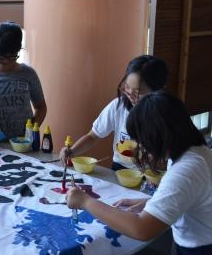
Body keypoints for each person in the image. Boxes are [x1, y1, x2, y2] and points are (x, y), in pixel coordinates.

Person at [66, 91, 212, 255]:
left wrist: (85, 201)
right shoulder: (192, 151)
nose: (141, 147)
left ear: (160, 135)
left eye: (143, 140)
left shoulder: (187, 168)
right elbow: (189, 196)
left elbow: (142, 229)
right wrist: (151, 203)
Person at [60, 55, 168, 170]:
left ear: (158, 90)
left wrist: (158, 156)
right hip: (119, 169)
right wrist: (72, 151)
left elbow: (174, 155)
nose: (130, 94)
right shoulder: (118, 106)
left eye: (138, 91)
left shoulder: (165, 114)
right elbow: (93, 136)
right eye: (127, 87)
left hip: (150, 173)